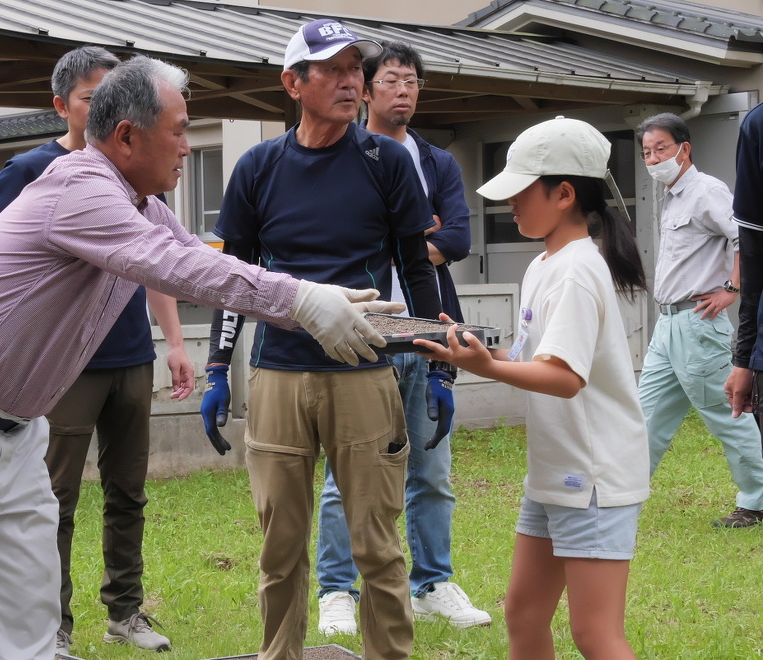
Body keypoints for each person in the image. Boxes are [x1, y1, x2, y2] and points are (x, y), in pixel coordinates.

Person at [0, 55, 403, 660]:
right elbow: (176, 265)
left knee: (20, 629)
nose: (185, 147)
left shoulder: (142, 204)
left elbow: (206, 263)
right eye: (179, 131)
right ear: (126, 136)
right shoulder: (81, 187)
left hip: (15, 431)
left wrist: (314, 302)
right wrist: (301, 299)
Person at [199, 19, 442, 660]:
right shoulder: (258, 167)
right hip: (278, 373)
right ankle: (279, 653)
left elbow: (416, 267)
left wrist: (438, 362)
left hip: (364, 369)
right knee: (280, 546)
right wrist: (218, 366)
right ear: (293, 84)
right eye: (332, 69)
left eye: (355, 68)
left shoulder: (386, 162)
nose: (350, 81)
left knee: (377, 544)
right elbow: (234, 279)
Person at [0, 45, 192, 653]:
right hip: (66, 365)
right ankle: (53, 623)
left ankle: (126, 612)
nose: (106, 105)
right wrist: (43, 287)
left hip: (130, 355)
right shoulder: (38, 169)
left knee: (128, 491)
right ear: (62, 106)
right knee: (53, 498)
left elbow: (163, 260)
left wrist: (175, 342)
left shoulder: (139, 178)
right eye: (92, 97)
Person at [416, 116, 649, 660]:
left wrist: (487, 368)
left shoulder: (576, 270)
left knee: (595, 634)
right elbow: (533, 360)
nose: (510, 203)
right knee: (523, 615)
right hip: (555, 471)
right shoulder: (545, 265)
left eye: (521, 190)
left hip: (593, 476)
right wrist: (472, 351)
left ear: (564, 195)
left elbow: (564, 379)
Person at [314, 39, 490, 636]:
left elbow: (457, 238)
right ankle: (337, 590)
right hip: (361, 331)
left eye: (412, 81)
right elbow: (339, 243)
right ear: (367, 90)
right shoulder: (341, 155)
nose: (404, 91)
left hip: (427, 328)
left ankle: (433, 583)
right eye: (391, 80)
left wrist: (397, 244)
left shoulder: (436, 162)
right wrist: (408, 240)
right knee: (346, 471)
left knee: (432, 466)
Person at [635, 112, 763, 529]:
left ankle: (757, 501)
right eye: (647, 153)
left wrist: (733, 287)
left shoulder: (707, 190)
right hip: (667, 325)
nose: (654, 159)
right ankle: (621, 496)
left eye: (661, 149)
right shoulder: (671, 196)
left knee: (729, 415)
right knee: (645, 414)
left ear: (684, 148)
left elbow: (745, 238)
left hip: (697, 323)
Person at [725, 102, 763, 433]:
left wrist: (729, 288)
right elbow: (753, 254)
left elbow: (748, 255)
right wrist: (744, 357)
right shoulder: (759, 125)